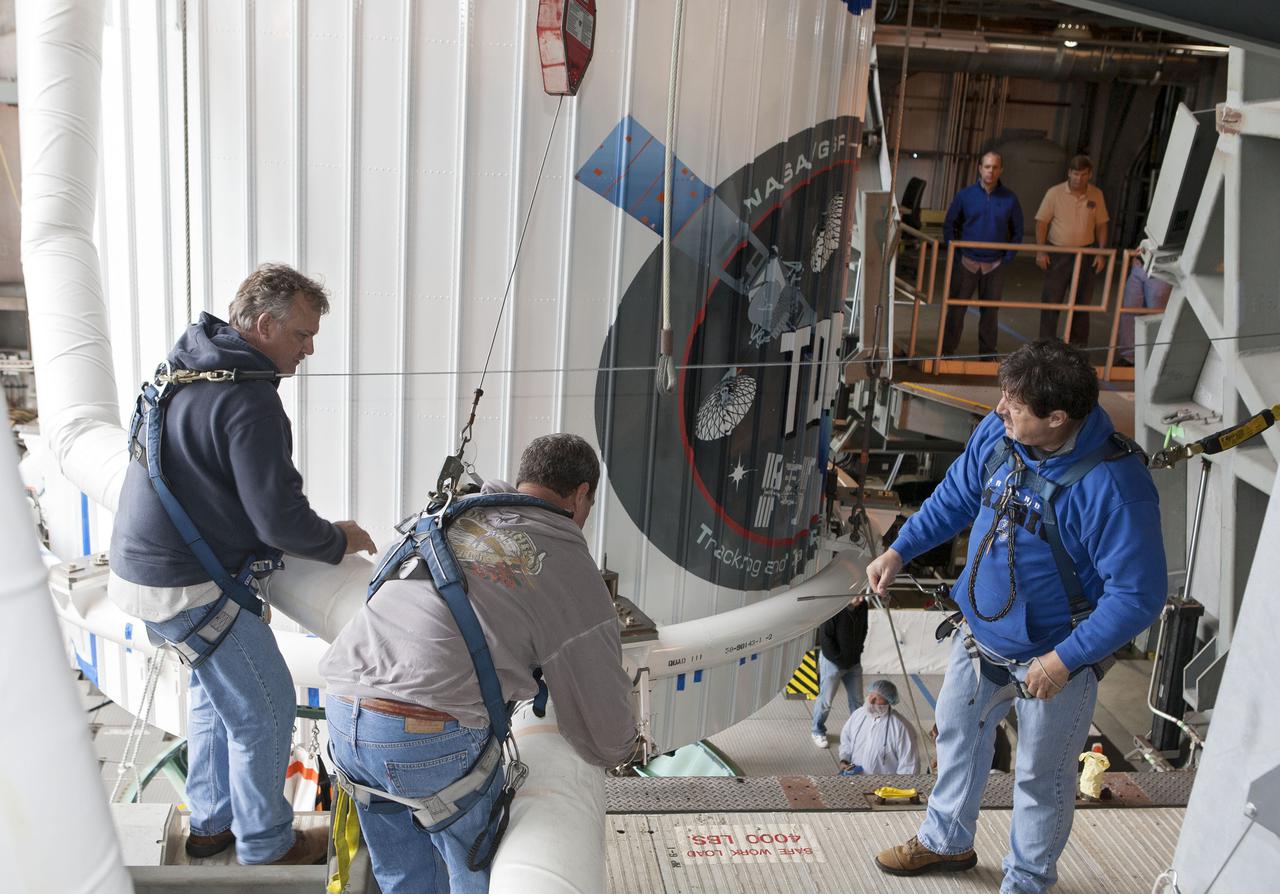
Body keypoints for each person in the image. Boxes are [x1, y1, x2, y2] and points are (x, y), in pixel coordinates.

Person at [866, 339, 1165, 892]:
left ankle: (1026, 881)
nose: (1001, 408)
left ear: (1056, 418)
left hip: (1056, 659)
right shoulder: (1001, 433)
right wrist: (899, 548)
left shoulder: (1115, 488)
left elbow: (1138, 596)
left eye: (1015, 405)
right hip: (980, 639)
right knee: (957, 737)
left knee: (1041, 777)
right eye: (1004, 396)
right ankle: (946, 841)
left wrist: (1063, 661)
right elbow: (956, 495)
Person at [108, 264, 377, 865]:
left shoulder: (186, 367)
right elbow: (277, 520)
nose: (310, 349)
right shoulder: (250, 401)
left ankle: (210, 827)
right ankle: (264, 844)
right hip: (185, 584)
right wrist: (337, 539)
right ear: (263, 325)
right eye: (303, 335)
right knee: (266, 708)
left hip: (142, 572)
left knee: (216, 699)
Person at [320, 433, 638, 894]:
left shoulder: (449, 515)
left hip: (343, 712)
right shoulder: (565, 557)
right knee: (477, 874)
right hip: (425, 735)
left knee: (403, 881)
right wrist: (622, 746)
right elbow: (607, 728)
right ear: (582, 495)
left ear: (525, 478)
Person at [940, 151, 1025, 360]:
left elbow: (1018, 229)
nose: (991, 171)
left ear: (1001, 170)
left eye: (995, 167)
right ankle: (946, 351)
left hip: (995, 264)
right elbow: (950, 224)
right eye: (987, 167)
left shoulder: (1009, 199)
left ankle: (987, 355)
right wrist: (957, 252)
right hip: (966, 261)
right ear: (980, 168)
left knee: (990, 313)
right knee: (956, 310)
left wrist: (1008, 256)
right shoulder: (965, 195)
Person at [1035, 155, 1110, 347]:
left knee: (1082, 303)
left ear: (1089, 175)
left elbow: (1102, 225)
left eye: (1083, 174)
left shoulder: (1096, 195)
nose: (1079, 178)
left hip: (1086, 255)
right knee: (1052, 301)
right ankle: (1046, 345)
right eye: (1075, 174)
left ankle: (1078, 348)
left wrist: (1101, 253)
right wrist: (1041, 251)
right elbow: (1042, 222)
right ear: (1069, 172)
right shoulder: (1055, 193)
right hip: (1058, 253)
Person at [811, 596, 869, 748]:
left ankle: (857, 733)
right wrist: (840, 660)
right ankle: (817, 731)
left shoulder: (863, 606)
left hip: (854, 662)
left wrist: (858, 651)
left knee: (857, 701)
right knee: (826, 701)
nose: (861, 598)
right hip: (833, 662)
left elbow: (864, 629)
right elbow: (825, 639)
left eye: (862, 594)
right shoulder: (834, 607)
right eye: (857, 595)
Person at [837, 679, 920, 775]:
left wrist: (899, 788)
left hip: (884, 786)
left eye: (877, 698)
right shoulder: (858, 715)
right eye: (871, 695)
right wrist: (844, 760)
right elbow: (846, 739)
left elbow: (909, 764)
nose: (871, 700)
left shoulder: (901, 727)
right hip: (854, 778)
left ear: (888, 700)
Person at [1116, 256, 1172, 366]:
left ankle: (1151, 361)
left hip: (1161, 267)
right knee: (1129, 314)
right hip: (1140, 263)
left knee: (1155, 318)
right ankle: (1129, 357)